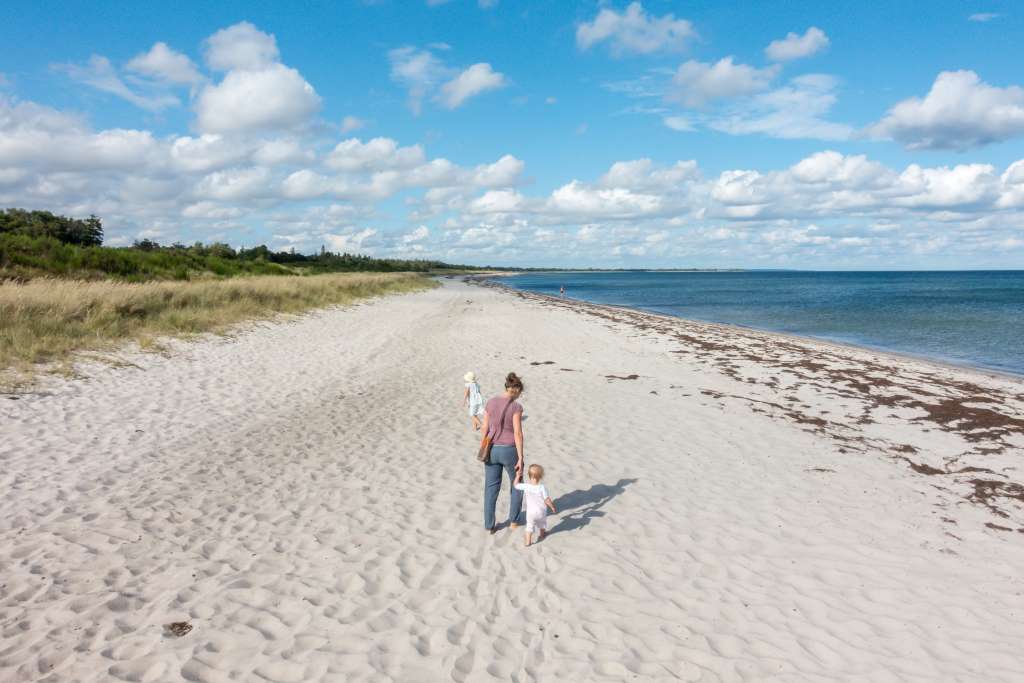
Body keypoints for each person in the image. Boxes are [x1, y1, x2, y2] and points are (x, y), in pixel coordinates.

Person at [481, 372, 526, 533]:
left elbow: (485, 427)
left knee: (491, 487)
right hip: (509, 449)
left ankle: (489, 524)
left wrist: (483, 444)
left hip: (491, 448)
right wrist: (521, 458)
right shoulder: (516, 407)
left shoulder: (491, 402)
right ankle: (513, 520)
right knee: (517, 483)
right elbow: (517, 433)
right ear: (517, 390)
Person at [515, 464, 556, 546]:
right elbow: (547, 499)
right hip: (541, 511)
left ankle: (528, 542)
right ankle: (542, 534)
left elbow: (515, 485)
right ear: (540, 477)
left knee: (529, 527)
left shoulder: (526, 486)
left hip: (530, 513)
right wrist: (552, 507)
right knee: (542, 523)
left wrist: (517, 476)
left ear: (529, 476)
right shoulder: (542, 487)